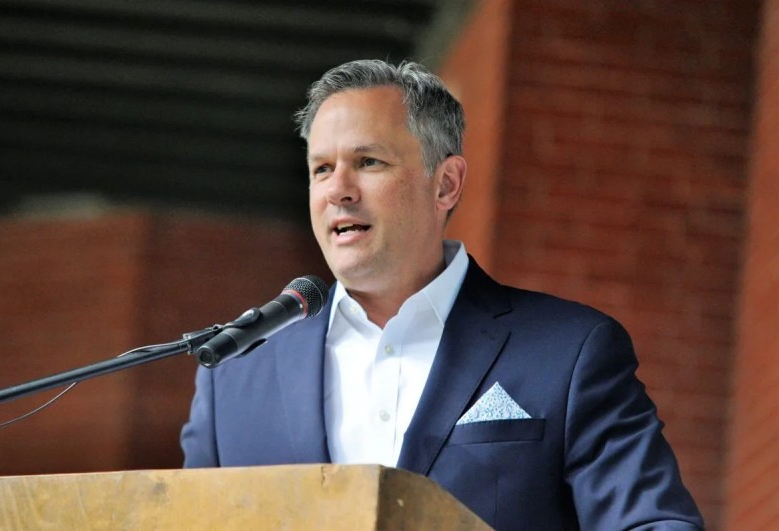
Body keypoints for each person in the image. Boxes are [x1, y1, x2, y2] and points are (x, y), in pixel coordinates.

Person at [181, 59, 704, 530]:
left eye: (368, 161)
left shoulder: (570, 353)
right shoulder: (233, 376)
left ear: (446, 184)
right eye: (322, 169)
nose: (338, 189)